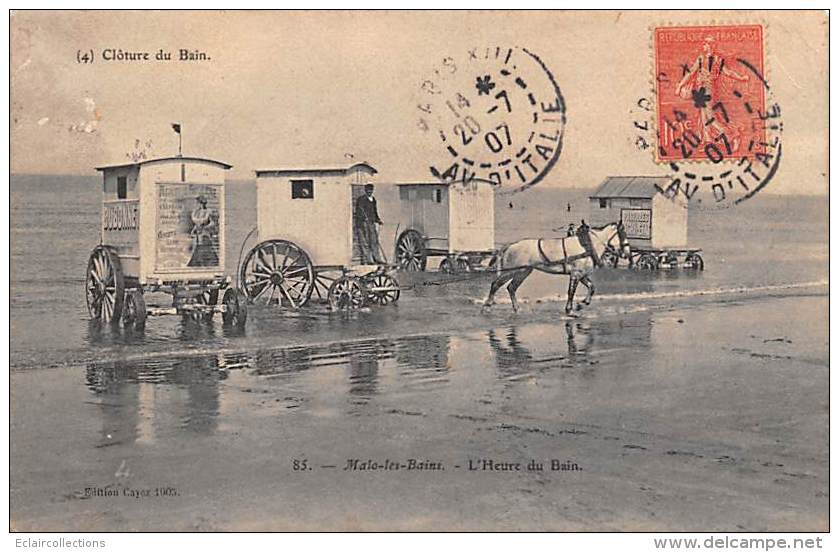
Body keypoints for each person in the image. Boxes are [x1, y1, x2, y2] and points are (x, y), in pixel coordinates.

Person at [355, 183, 385, 264]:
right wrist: (364, 218)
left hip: (371, 223)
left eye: (371, 190)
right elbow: (360, 211)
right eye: (368, 190)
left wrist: (378, 220)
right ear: (365, 190)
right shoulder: (361, 199)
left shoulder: (373, 200)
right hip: (363, 224)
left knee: (374, 241)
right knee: (365, 242)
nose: (369, 192)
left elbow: (374, 211)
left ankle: (377, 258)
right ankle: (369, 260)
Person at [187, 195, 219, 267]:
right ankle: (198, 263)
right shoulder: (197, 212)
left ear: (202, 203)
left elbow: (213, 223)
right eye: (197, 203)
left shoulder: (208, 211)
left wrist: (205, 227)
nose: (197, 204)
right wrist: (194, 230)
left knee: (205, 247)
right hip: (198, 234)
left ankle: (208, 263)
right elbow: (197, 224)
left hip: (205, 234)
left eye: (198, 203)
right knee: (198, 247)